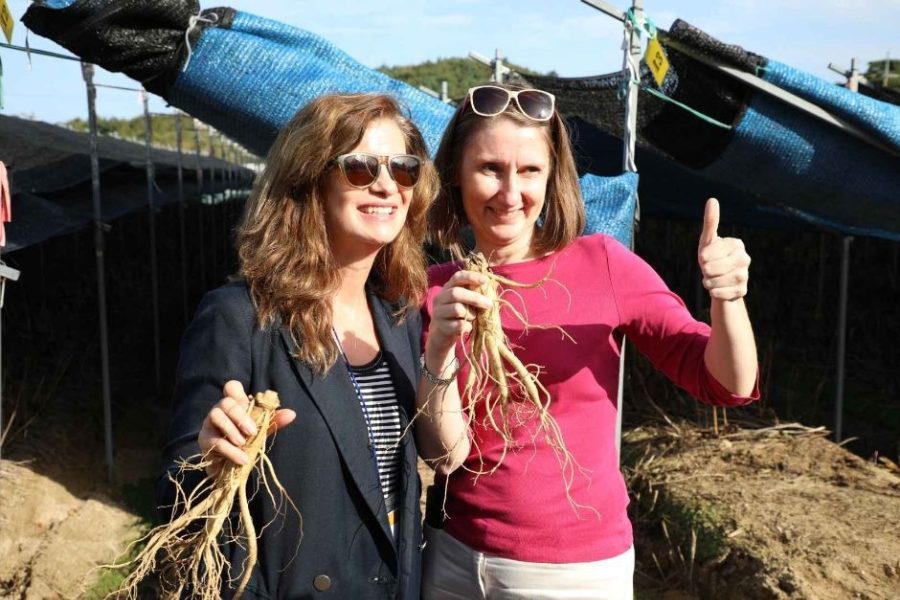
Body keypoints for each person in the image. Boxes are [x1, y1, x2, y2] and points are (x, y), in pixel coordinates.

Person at [416, 84, 759, 599]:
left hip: (571, 571)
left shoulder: (602, 263)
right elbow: (438, 452)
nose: (510, 192)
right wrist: (440, 349)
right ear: (455, 176)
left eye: (529, 171)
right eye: (490, 168)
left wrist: (728, 298)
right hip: (451, 558)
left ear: (552, 178)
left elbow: (728, 383)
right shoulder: (435, 290)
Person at [156, 93, 438, 599]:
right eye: (359, 167)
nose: (386, 185)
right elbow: (175, 497)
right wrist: (206, 461)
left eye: (403, 168)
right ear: (308, 180)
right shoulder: (242, 316)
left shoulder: (399, 315)